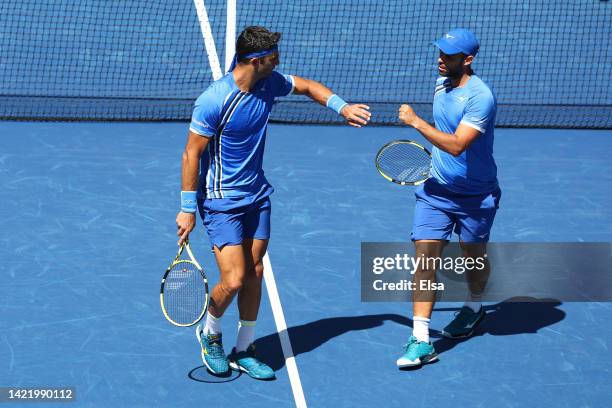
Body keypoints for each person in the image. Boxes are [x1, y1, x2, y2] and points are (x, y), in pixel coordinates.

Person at [176, 26, 371, 379]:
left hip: (257, 196)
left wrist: (341, 107)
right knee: (233, 280)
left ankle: (245, 346)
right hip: (221, 201)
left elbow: (308, 86)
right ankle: (211, 333)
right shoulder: (214, 99)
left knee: (255, 272)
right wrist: (188, 207)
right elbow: (192, 153)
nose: (278, 63)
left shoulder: (270, 83)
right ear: (255, 60)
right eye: (273, 59)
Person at [396, 28, 501, 368]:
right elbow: (445, 142)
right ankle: (421, 339)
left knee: (473, 260)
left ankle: (474, 306)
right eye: (439, 53)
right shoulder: (441, 83)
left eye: (449, 56)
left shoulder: (480, 97)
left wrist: (415, 122)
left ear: (467, 60)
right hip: (436, 191)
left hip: (476, 196)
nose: (440, 59)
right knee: (426, 259)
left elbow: (456, 144)